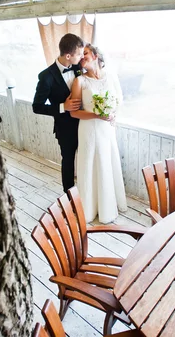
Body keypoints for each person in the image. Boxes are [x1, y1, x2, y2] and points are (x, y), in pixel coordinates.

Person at [69, 44, 127, 223]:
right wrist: (97, 114)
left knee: (106, 163)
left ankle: (108, 205)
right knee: (90, 164)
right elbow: (74, 112)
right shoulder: (80, 81)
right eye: (81, 55)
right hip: (88, 129)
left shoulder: (110, 76)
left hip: (106, 129)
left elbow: (118, 99)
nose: (82, 57)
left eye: (85, 53)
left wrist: (112, 114)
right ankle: (88, 208)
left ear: (95, 56)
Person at [32, 34, 84, 192]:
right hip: (65, 128)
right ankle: (69, 198)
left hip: (85, 124)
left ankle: (86, 193)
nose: (82, 56)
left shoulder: (78, 68)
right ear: (68, 56)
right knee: (68, 162)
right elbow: (37, 106)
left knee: (85, 160)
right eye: (79, 54)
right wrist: (63, 107)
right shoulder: (46, 77)